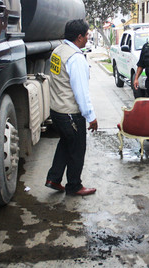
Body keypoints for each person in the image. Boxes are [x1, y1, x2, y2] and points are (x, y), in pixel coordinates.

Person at [45, 19, 98, 196]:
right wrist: (91, 116)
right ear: (79, 37)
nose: (88, 38)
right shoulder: (76, 58)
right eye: (87, 35)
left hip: (57, 110)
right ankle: (74, 186)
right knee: (77, 149)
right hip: (70, 114)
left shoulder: (58, 51)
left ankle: (54, 178)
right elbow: (81, 92)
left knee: (66, 144)